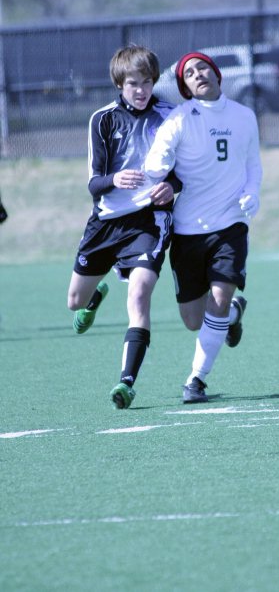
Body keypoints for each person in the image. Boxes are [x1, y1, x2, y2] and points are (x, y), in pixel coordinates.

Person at [145, 50, 263, 404]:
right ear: (184, 86)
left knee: (218, 298)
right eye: (190, 73)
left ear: (216, 74)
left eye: (203, 68)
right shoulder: (179, 121)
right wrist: (158, 166)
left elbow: (253, 164)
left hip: (230, 225)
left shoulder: (244, 116)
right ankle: (234, 312)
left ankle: (196, 380)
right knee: (194, 320)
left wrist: (252, 194)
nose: (198, 74)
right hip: (188, 231)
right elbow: (154, 165)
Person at [67, 45, 179, 409]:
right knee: (74, 302)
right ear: (120, 83)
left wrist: (171, 187)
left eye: (147, 82)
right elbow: (94, 183)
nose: (142, 90)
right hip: (105, 223)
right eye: (133, 83)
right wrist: (116, 179)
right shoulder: (103, 119)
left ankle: (126, 382)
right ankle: (97, 294)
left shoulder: (170, 116)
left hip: (148, 221)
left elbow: (184, 171)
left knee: (139, 294)